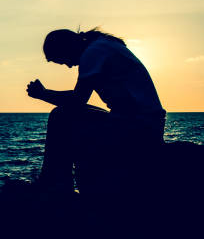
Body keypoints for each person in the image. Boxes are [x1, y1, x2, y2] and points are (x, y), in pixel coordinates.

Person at [26, 28, 166, 198]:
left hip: (139, 127)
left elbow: (77, 100)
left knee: (60, 116)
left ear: (68, 46)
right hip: (143, 122)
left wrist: (43, 94)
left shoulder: (93, 53)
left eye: (63, 60)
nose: (69, 65)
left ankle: (55, 184)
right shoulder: (103, 46)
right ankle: (58, 182)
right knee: (67, 115)